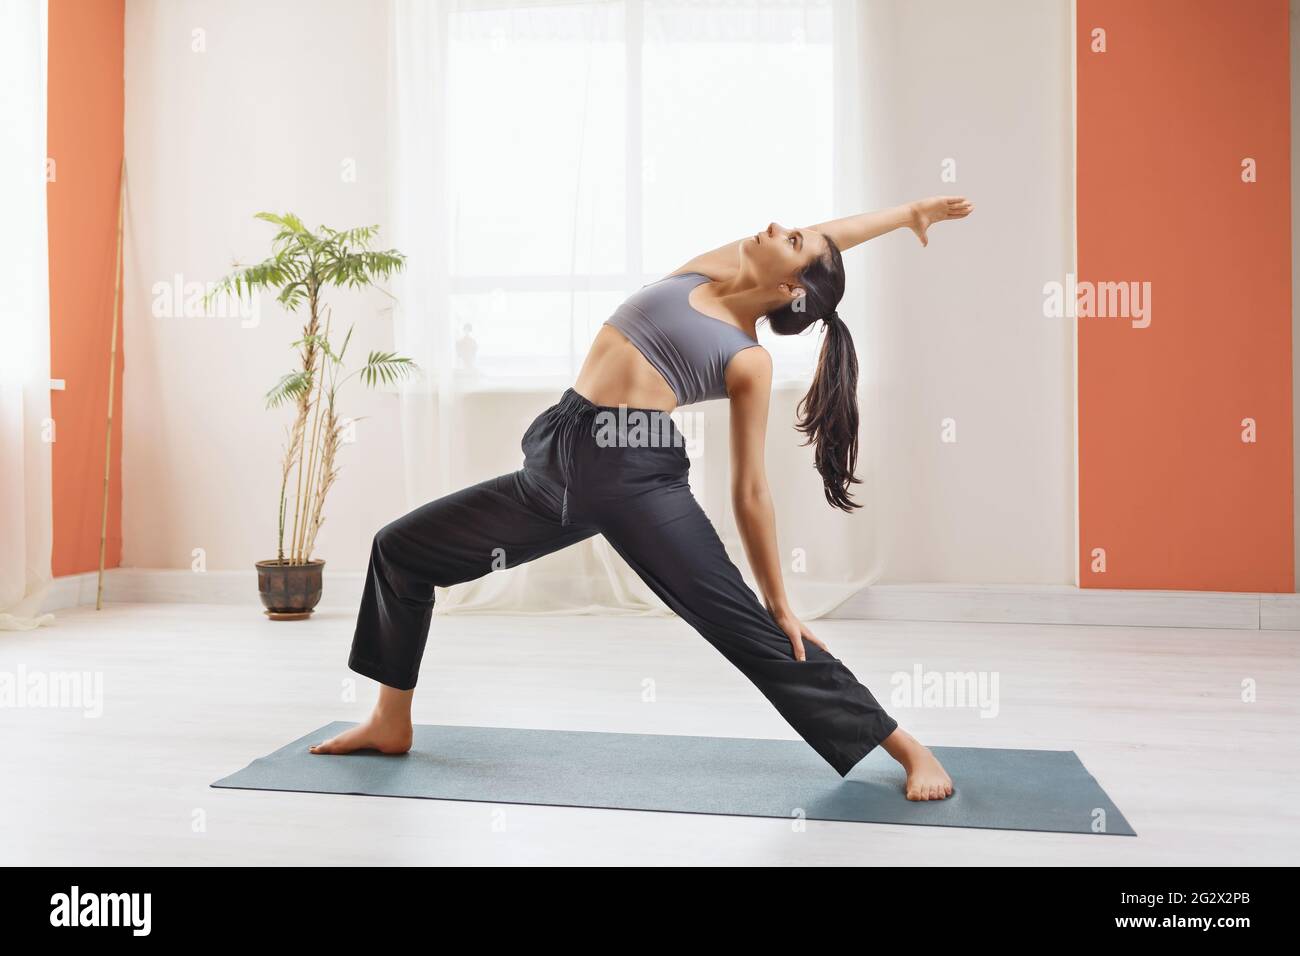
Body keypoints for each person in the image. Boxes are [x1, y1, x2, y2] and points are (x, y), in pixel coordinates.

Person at [310, 196, 975, 801]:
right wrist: (907, 214)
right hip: (554, 465)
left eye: (791, 237)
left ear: (788, 287)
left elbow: (749, 487)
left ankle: (906, 747)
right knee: (400, 551)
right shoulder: (703, 274)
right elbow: (829, 239)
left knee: (756, 631)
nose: (777, 224)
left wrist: (780, 601)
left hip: (636, 479)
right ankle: (389, 720)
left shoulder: (747, 358)